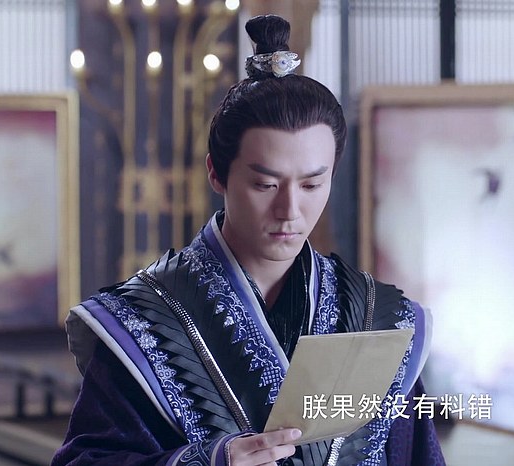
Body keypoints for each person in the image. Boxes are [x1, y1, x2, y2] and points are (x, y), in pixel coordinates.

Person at [52, 14, 444, 466]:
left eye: (312, 184)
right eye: (265, 184)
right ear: (216, 173)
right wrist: (208, 460)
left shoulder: (381, 319)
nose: (290, 210)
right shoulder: (141, 321)